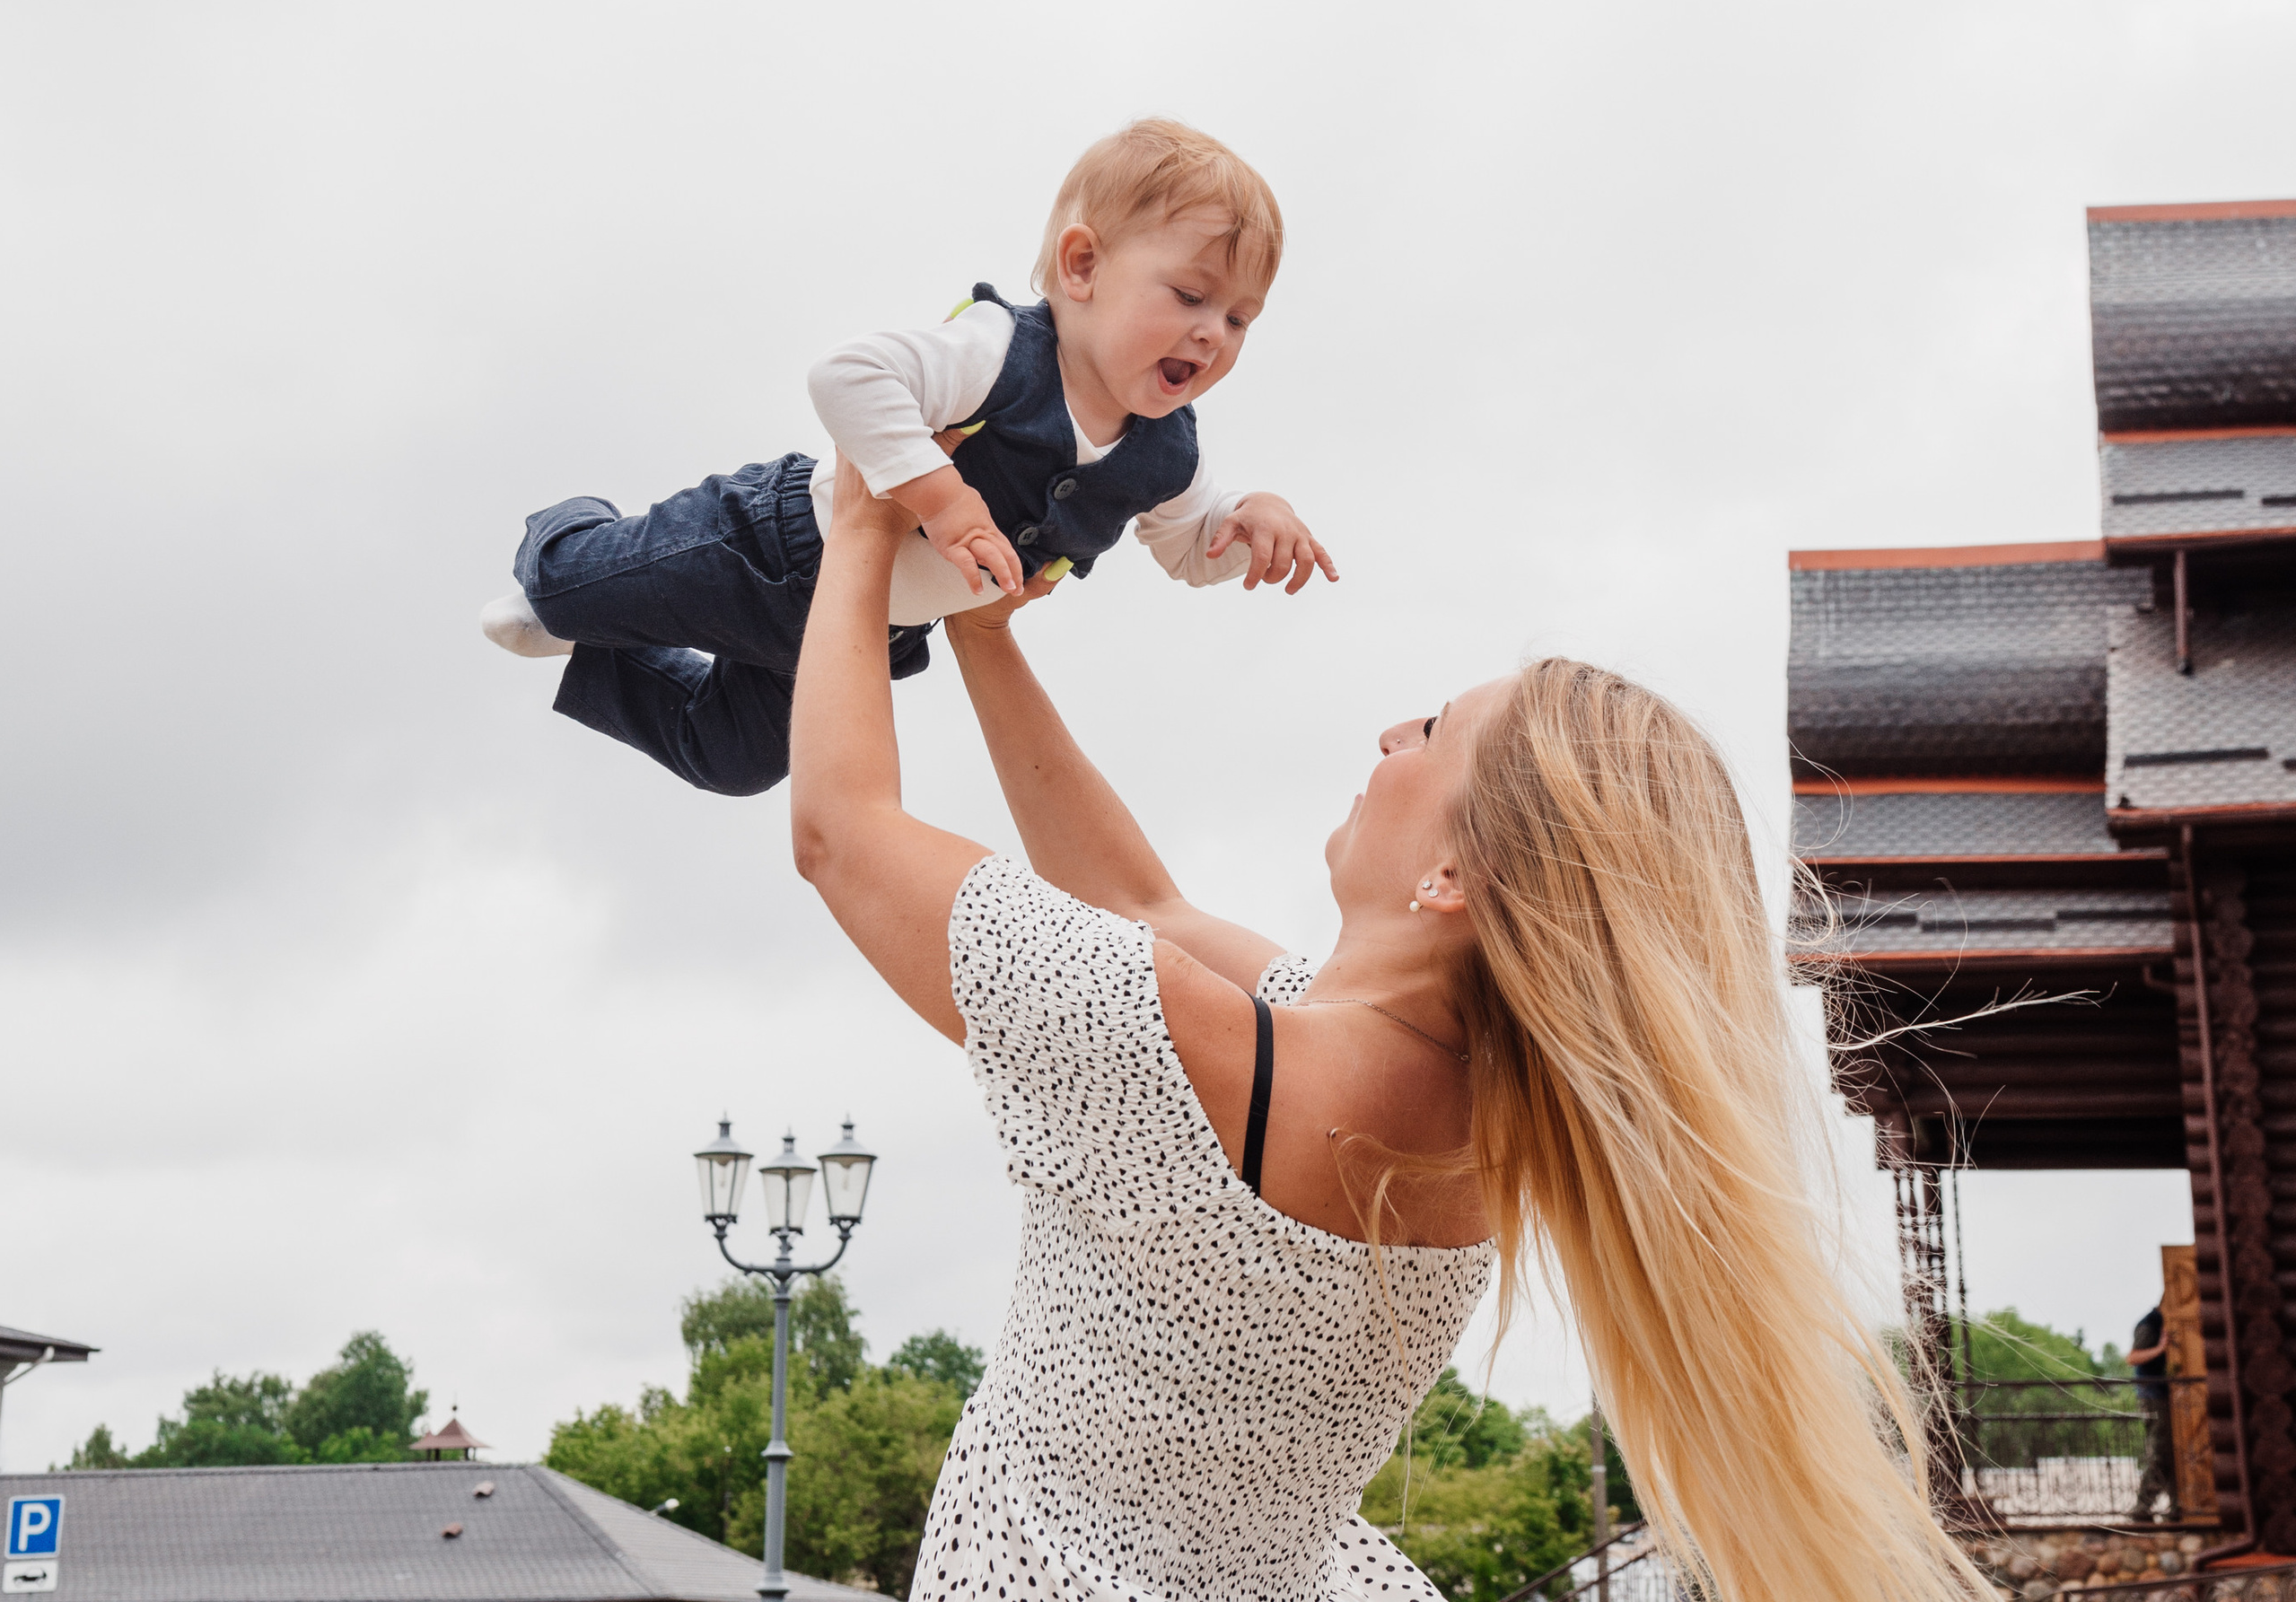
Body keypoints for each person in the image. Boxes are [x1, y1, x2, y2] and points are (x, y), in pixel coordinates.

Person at [786, 459, 1997, 1602]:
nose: (1386, 740)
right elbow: (1140, 904)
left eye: (1426, 731)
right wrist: (982, 638)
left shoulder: (1184, 1045)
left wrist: (860, 524)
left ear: (1453, 878)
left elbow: (840, 828)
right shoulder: (1481, 1137)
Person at [477, 119, 1333, 794]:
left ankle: (594, 646)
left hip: (871, 631)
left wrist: (1247, 526)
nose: (1212, 334)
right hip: (776, 551)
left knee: (728, 758)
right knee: (563, 582)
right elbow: (847, 376)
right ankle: (568, 543)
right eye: (1190, 295)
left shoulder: (1166, 455)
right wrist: (942, 496)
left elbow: (1188, 548)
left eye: (1239, 319)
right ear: (1082, 267)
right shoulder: (1001, 350)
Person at [2128, 1302, 2175, 1522]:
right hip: (2152, 1396)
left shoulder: (2161, 1321)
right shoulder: (2150, 1323)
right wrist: (2161, 1348)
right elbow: (2132, 1357)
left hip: (2164, 1395)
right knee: (2161, 1452)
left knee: (2173, 1452)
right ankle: (2142, 1508)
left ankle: (2177, 1506)